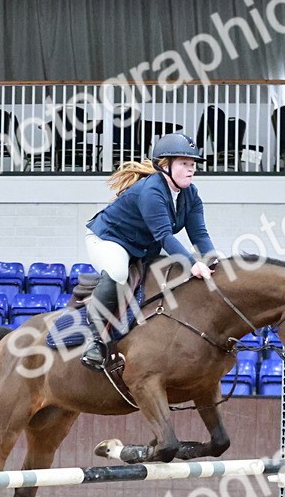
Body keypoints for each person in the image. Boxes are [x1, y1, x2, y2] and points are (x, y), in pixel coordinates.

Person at [80, 132, 218, 371]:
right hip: (110, 240)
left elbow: (200, 235)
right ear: (165, 165)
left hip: (143, 248)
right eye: (185, 164)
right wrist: (192, 264)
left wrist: (214, 260)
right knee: (117, 271)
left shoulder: (191, 194)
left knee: (174, 273)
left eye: (193, 164)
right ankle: (94, 341)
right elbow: (164, 237)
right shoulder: (151, 191)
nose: (191, 169)